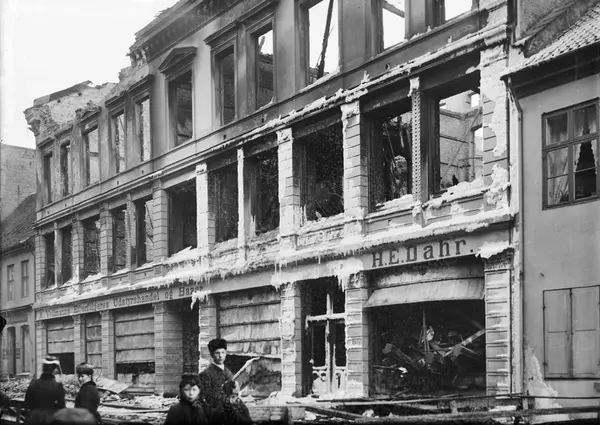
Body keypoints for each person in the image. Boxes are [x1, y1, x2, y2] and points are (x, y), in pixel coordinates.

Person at [24, 356, 66, 425]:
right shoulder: (58, 386)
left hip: (33, 417)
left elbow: (27, 402)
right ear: (54, 370)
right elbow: (61, 406)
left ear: (43, 368)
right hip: (50, 418)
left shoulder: (33, 383)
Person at [198, 338, 233, 409]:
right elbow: (207, 397)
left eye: (223, 352)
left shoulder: (228, 372)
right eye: (217, 353)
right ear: (211, 355)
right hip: (214, 410)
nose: (220, 356)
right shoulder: (205, 374)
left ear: (226, 353)